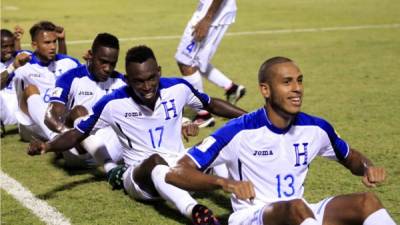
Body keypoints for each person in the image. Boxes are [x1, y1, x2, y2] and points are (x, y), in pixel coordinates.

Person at [28, 45, 246, 224]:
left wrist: (252, 118)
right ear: (128, 79)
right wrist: (47, 146)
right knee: (156, 163)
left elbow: (212, 104)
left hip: (182, 166)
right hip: (140, 177)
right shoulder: (113, 103)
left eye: (152, 78)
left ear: (159, 71)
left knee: (221, 144)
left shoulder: (178, 88)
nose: (147, 86)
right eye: (138, 81)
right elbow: (77, 134)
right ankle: (196, 212)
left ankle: (247, 209)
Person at [165, 57, 397, 225]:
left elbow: (350, 156)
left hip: (299, 214)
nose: (297, 89)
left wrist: (367, 167)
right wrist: (225, 184)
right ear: (265, 90)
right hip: (251, 218)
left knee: (367, 202)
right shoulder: (238, 131)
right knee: (297, 208)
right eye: (287, 82)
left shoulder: (316, 128)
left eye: (299, 81)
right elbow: (176, 172)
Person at [45, 32, 127, 170]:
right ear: (90, 55)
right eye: (103, 61)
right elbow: (50, 116)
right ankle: (110, 169)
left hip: (108, 145)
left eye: (112, 63)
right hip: (77, 148)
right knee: (79, 111)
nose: (107, 68)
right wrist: (66, 135)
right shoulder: (71, 78)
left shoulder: (121, 82)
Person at [175, 0, 245, 128]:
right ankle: (231, 88)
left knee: (186, 62)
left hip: (211, 15)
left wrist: (207, 19)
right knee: (196, 60)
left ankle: (203, 114)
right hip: (211, 12)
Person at [12, 21, 80, 142]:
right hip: (31, 125)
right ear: (34, 45)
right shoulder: (23, 65)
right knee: (30, 89)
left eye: (54, 42)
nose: (53, 47)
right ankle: (57, 138)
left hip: (60, 119)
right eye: (47, 43)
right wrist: (13, 67)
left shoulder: (68, 62)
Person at [0, 27, 30, 137]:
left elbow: (55, 63)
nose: (9, 49)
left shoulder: (23, 56)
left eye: (11, 46)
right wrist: (13, 67)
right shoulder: (14, 63)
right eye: (4, 47)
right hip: (4, 111)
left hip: (23, 108)